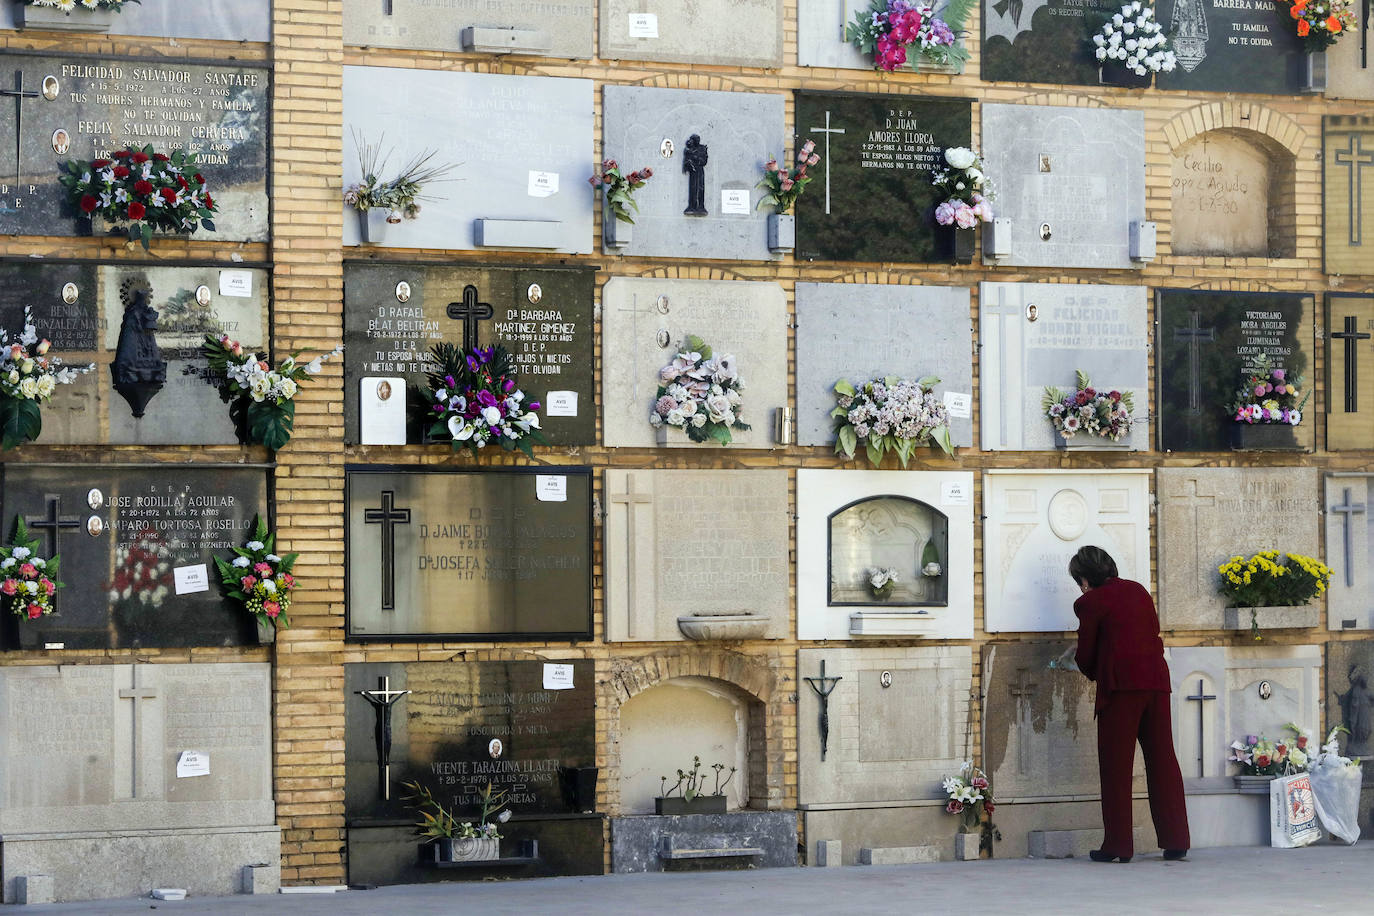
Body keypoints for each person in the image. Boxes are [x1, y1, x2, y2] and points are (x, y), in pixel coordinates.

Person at [1070, 545, 1190, 863]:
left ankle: (1118, 845)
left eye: (1079, 580)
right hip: (1156, 681)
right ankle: (1176, 839)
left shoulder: (1089, 602)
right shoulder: (1138, 590)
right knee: (1163, 759)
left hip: (1121, 688)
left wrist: (1095, 669)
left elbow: (1085, 655)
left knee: (1116, 767)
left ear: (1084, 578)